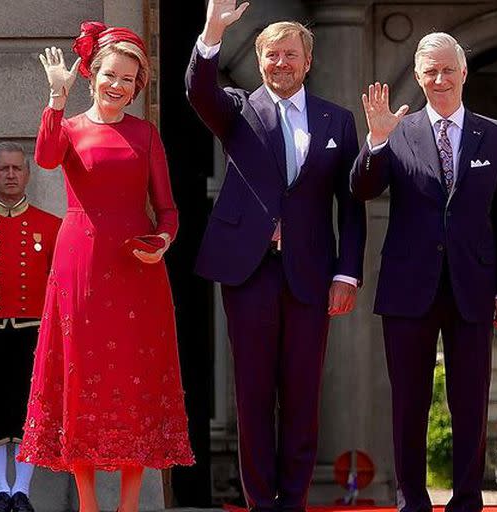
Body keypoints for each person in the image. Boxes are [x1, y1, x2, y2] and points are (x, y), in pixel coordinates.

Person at [185, 1, 366, 511]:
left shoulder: (339, 120)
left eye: (290, 55)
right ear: (261, 61)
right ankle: (261, 502)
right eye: (271, 55)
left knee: (303, 396)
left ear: (308, 62)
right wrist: (213, 31)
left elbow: (350, 207)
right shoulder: (237, 109)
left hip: (311, 273)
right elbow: (198, 90)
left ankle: (294, 502)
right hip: (250, 272)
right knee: (254, 394)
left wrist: (347, 274)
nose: (280, 63)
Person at [17, 22, 194, 512]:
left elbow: (169, 210)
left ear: (138, 87)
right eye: (111, 75)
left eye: (129, 80)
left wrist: (162, 241)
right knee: (79, 375)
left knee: (137, 379)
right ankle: (90, 504)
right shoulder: (69, 127)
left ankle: (130, 504)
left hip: (138, 268)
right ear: (92, 74)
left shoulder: (146, 133)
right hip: (80, 263)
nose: (118, 86)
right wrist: (56, 98)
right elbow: (46, 159)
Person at [351, 32, 497, 512]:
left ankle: (466, 499)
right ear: (420, 77)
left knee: (469, 402)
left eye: (448, 69)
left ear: (464, 72)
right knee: (409, 402)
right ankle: (412, 500)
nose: (440, 79)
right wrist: (377, 141)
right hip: (409, 286)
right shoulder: (397, 131)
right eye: (430, 72)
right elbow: (362, 188)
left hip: (474, 286)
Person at [0, 142, 61, 512]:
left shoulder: (50, 225)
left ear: (27, 174)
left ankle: (21, 492)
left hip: (33, 331)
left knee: (29, 410)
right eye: (4, 169)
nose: (10, 175)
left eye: (17, 169)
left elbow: (60, 286)